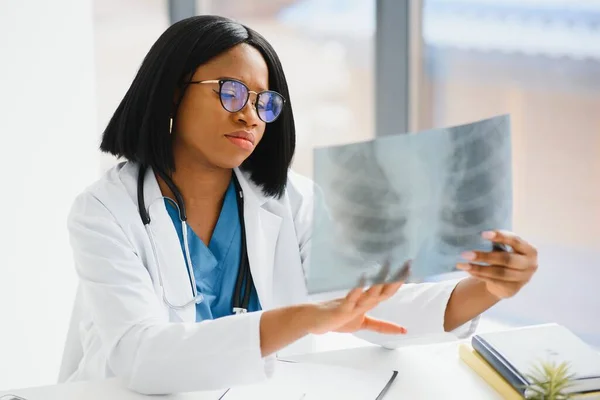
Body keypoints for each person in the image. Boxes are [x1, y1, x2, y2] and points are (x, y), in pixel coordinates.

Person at [58, 15, 539, 395]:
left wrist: (488, 289)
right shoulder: (105, 211)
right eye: (230, 92)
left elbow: (369, 304)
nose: (249, 114)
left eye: (264, 102)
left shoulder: (292, 200)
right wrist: (306, 317)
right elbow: (142, 357)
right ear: (172, 91)